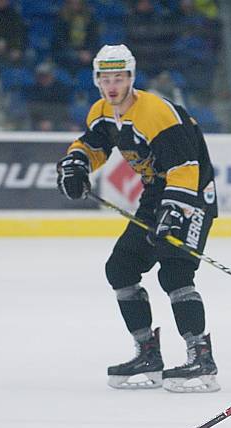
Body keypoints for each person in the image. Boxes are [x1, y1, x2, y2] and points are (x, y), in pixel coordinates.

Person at [55, 44, 220, 393]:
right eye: (106, 78)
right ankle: (148, 354)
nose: (112, 85)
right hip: (156, 194)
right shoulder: (102, 111)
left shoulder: (155, 113)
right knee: (121, 268)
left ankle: (201, 357)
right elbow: (94, 144)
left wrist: (174, 213)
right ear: (97, 80)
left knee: (175, 271)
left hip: (193, 195)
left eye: (119, 77)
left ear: (131, 77)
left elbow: (185, 168)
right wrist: (77, 164)